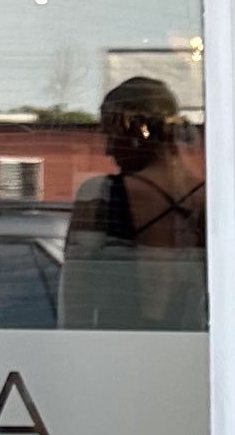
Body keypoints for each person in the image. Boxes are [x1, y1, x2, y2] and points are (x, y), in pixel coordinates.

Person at [58, 72, 206, 328]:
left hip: (116, 351)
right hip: (193, 353)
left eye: (111, 135)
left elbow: (75, 302)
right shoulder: (211, 200)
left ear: (139, 131)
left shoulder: (99, 196)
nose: (108, 150)